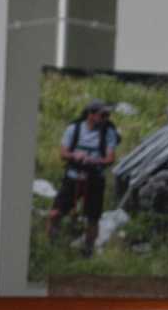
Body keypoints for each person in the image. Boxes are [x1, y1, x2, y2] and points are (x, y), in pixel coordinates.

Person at [45, 98, 122, 257]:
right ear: (90, 114)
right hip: (73, 177)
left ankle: (87, 252)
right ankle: (50, 245)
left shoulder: (109, 131)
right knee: (55, 214)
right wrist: (75, 156)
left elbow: (110, 158)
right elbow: (63, 153)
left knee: (92, 218)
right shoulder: (73, 129)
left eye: (107, 115)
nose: (106, 118)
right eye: (103, 115)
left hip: (95, 178)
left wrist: (93, 160)